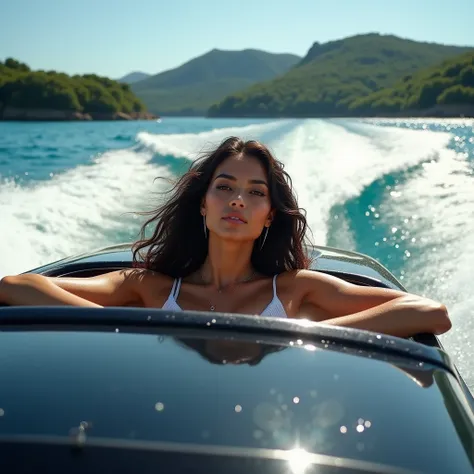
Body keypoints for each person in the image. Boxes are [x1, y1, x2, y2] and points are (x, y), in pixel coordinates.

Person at [0, 136, 451, 338]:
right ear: (203, 203)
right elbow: (17, 287)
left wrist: (297, 334)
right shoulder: (149, 288)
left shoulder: (294, 290)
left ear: (269, 217)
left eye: (255, 193)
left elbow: (428, 312)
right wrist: (135, 329)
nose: (238, 200)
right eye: (225, 187)